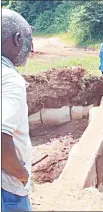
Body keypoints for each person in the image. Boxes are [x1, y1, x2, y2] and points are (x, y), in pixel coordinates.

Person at [1, 8, 33, 211]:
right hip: (8, 191)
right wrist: (21, 174)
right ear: (17, 38)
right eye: (28, 40)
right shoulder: (10, 80)